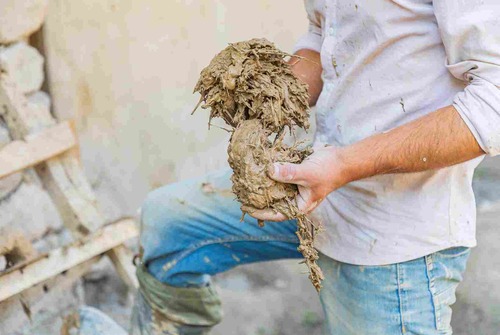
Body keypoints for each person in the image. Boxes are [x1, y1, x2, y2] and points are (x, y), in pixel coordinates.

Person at [131, 1, 500, 334]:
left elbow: (494, 104)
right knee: (168, 225)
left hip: (393, 236)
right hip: (320, 181)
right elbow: (326, 35)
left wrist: (344, 165)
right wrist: (270, 95)